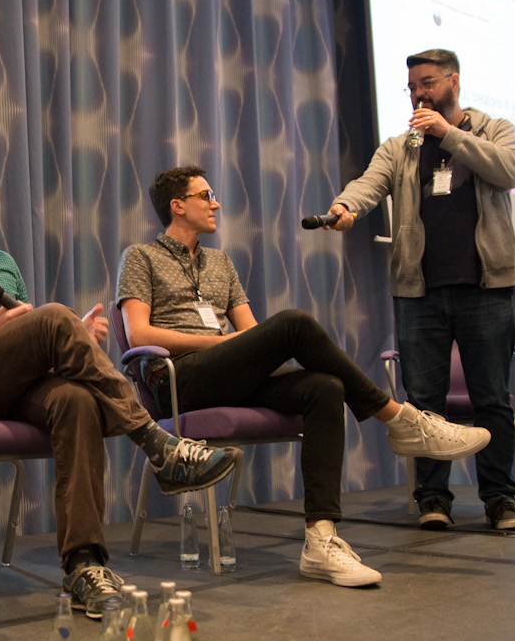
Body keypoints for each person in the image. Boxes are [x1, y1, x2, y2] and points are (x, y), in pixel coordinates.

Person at [0, 154, 242, 617]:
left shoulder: (1, 261)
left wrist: (77, 339)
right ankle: (156, 442)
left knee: (73, 399)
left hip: (8, 386)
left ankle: (83, 565)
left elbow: (27, 339)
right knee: (51, 317)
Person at [118, 167, 493, 587]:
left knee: (324, 388)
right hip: (180, 381)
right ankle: (400, 420)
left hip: (229, 374)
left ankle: (321, 539)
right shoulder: (140, 257)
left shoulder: (220, 263)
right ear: (178, 206)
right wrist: (221, 344)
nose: (215, 203)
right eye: (205, 196)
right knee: (294, 323)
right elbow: (140, 334)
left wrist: (243, 346)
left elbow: (253, 333)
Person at [327, 48, 515, 531]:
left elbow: (510, 170)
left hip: (486, 289)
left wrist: (448, 135)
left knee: (492, 400)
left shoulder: (494, 129)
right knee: (423, 405)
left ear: (454, 81)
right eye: (413, 86)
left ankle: (500, 500)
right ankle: (433, 499)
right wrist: (345, 206)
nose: (420, 93)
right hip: (420, 294)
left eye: (429, 83)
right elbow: (369, 184)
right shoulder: (401, 146)